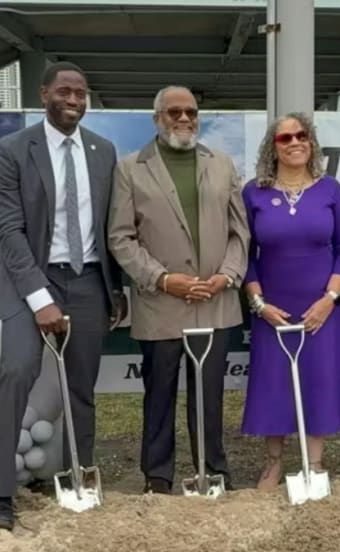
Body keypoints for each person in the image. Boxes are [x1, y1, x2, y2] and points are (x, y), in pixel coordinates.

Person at [0, 62, 125, 529]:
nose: (73, 99)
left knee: (81, 387)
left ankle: (77, 483)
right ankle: (2, 495)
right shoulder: (13, 150)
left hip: (89, 280)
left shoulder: (103, 150)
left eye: (81, 92)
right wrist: (39, 298)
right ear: (44, 93)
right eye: (64, 91)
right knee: (15, 372)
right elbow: (9, 231)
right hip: (27, 280)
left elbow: (113, 228)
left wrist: (119, 290)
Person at [108, 85, 248, 493]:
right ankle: (158, 477)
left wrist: (227, 275)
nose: (184, 119)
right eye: (174, 112)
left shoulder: (221, 164)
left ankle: (214, 473)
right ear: (157, 118)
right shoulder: (130, 168)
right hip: (162, 304)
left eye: (190, 111)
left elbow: (241, 231)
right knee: (160, 395)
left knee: (210, 396)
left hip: (216, 302)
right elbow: (121, 238)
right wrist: (164, 279)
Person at [240, 112, 340, 491]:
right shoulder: (253, 192)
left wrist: (330, 299)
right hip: (272, 312)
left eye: (301, 135)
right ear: (272, 147)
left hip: (322, 310)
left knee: (319, 382)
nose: (294, 142)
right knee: (273, 385)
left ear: (312, 142)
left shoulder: (330, 190)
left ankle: (316, 464)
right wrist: (260, 306)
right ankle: (273, 464)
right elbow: (245, 255)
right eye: (284, 137)